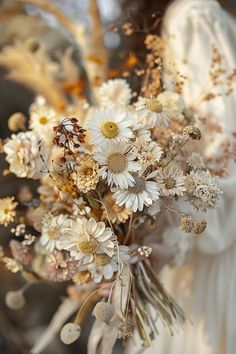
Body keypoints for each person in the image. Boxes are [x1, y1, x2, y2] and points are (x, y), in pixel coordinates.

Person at [127, 1, 236, 353]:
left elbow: (224, 151)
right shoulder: (195, 13)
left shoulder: (195, 14)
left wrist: (172, 241)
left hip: (213, 258)